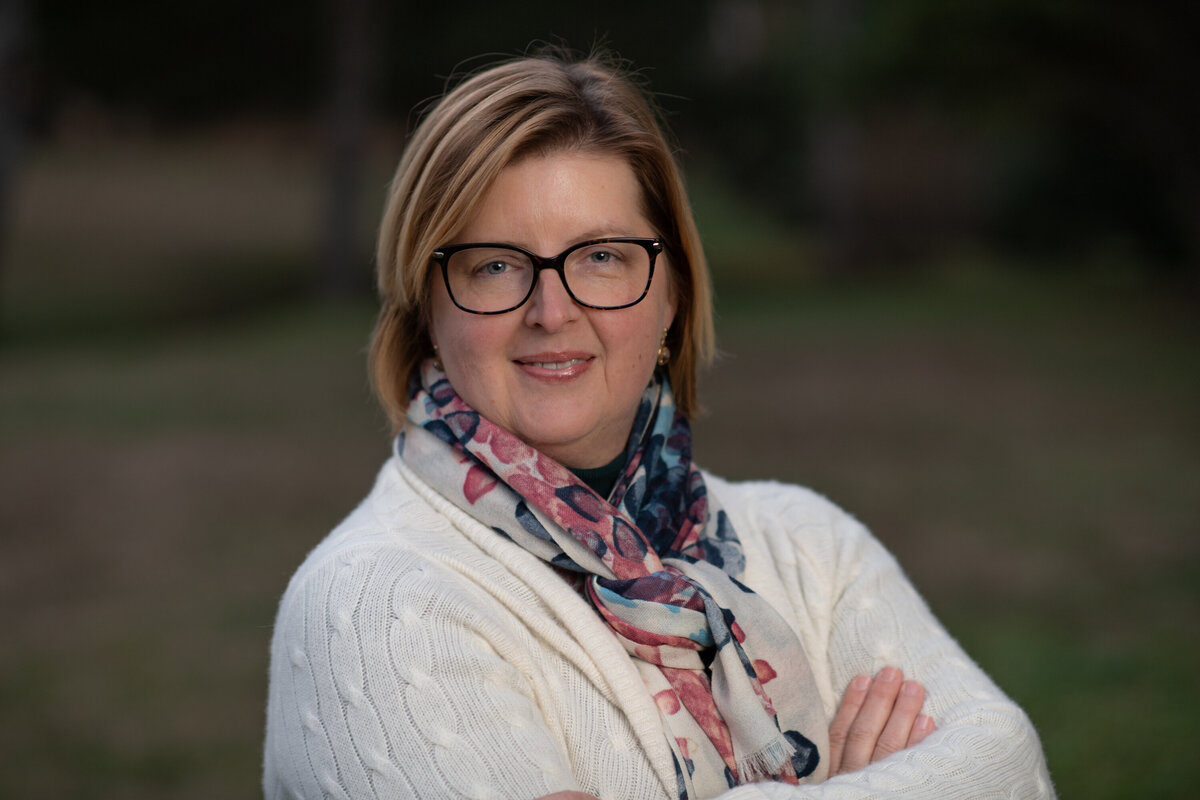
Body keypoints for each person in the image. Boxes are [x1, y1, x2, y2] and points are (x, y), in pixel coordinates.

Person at [263, 50, 1054, 799]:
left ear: (671, 291)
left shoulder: (813, 546)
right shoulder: (370, 607)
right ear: (427, 307)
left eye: (602, 256)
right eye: (495, 264)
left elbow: (1008, 761)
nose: (551, 310)